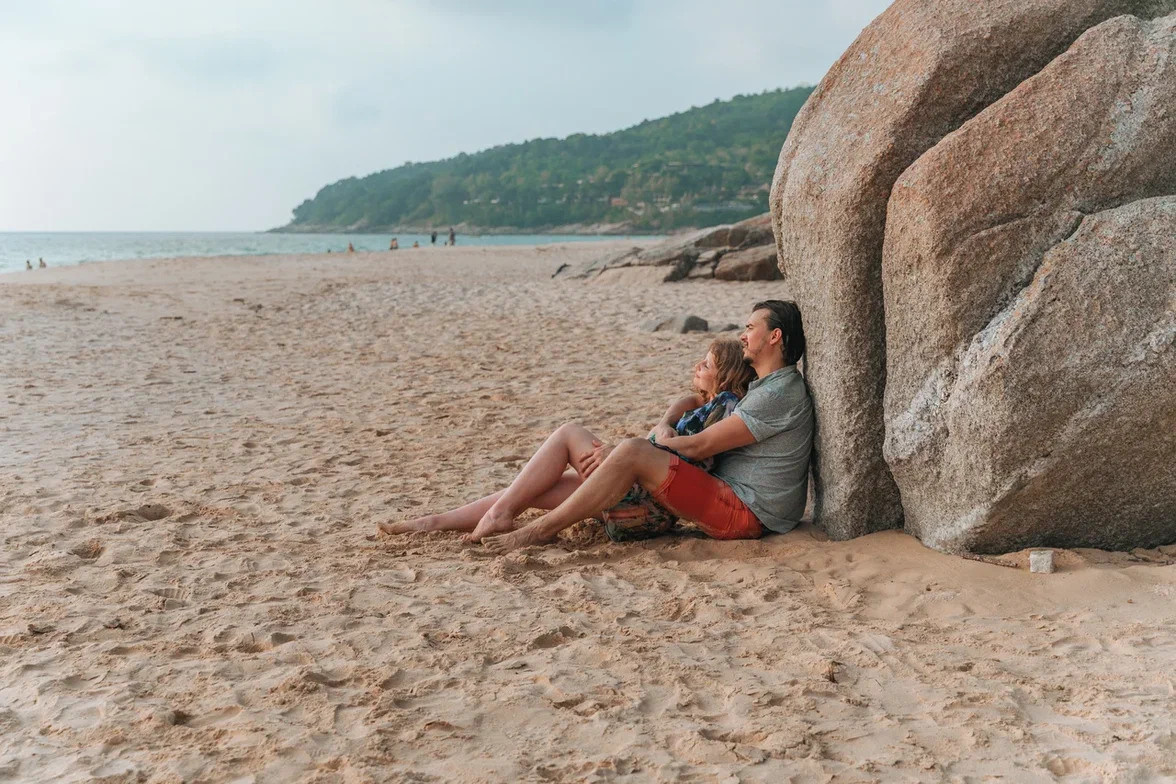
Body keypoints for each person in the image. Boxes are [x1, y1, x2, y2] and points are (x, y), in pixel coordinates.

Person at [477, 300, 813, 554]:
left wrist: (648, 445)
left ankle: (537, 531)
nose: (743, 335)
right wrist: (664, 425)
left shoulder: (779, 392)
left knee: (632, 451)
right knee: (579, 474)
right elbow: (697, 401)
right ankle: (453, 520)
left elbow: (699, 447)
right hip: (736, 501)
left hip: (747, 511)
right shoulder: (765, 387)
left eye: (750, 328)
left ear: (774, 336)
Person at [380, 338, 755, 543]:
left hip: (648, 509)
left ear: (725, 376)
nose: (696, 368)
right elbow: (678, 408)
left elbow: (692, 458)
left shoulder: (725, 409)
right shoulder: (702, 403)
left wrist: (640, 445)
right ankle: (435, 522)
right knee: (534, 489)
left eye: (705, 365)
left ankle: (498, 515)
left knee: (568, 433)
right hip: (642, 497)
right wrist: (662, 424)